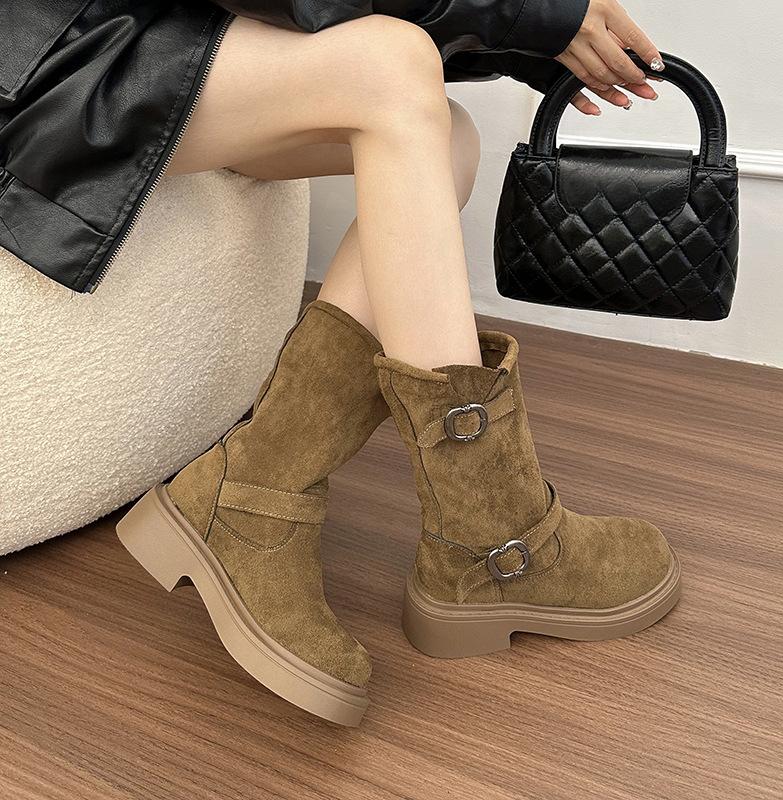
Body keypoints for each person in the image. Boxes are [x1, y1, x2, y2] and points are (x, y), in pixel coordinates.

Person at [5, 0, 680, 727]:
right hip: (46, 55)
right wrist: (530, 14)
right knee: (390, 66)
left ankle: (258, 485)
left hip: (142, 30)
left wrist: (531, 38)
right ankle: (494, 538)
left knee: (446, 135)